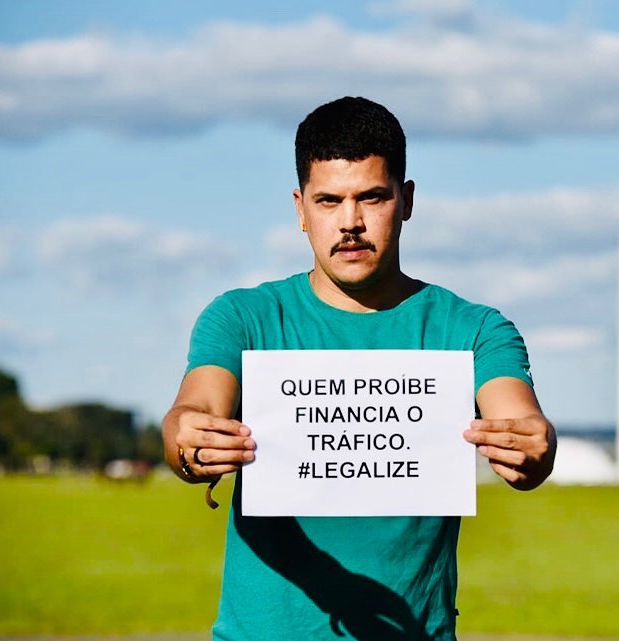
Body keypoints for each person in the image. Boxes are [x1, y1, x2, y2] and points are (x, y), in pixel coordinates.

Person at [162, 96, 556, 641]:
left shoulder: (473, 329)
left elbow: (520, 420)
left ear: (407, 199)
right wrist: (189, 443)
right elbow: (194, 410)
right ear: (300, 209)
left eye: (372, 197)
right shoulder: (243, 317)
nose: (350, 222)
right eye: (329, 201)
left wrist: (533, 450)